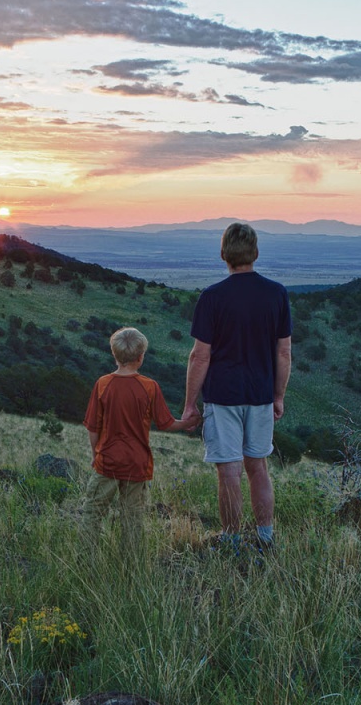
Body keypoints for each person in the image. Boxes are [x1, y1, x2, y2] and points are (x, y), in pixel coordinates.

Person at [181, 222, 293, 547]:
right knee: (258, 466)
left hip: (223, 396)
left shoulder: (213, 297)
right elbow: (284, 352)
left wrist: (190, 405)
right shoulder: (277, 294)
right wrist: (278, 396)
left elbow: (199, 357)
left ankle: (231, 540)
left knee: (228, 471)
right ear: (255, 253)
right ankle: (265, 536)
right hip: (260, 395)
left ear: (223, 255)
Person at [81, 327, 199, 557]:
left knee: (93, 512)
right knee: (132, 518)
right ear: (140, 357)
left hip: (108, 461)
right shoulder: (149, 387)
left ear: (114, 355)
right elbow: (166, 424)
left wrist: (96, 454)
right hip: (137, 463)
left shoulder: (103, 384)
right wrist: (188, 423)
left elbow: (93, 427)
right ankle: (130, 568)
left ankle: (85, 562)